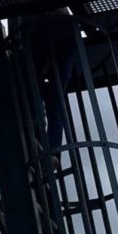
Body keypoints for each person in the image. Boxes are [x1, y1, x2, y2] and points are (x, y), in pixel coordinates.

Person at [20, 9, 78, 159]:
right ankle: (53, 152)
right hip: (67, 29)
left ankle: (36, 131)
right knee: (56, 99)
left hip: (39, 29)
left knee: (32, 84)